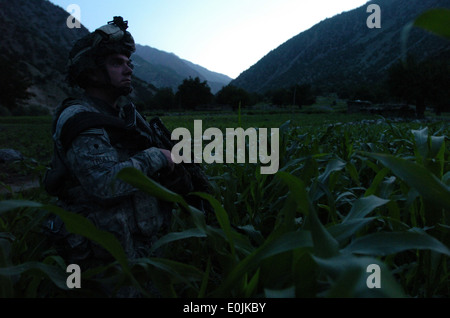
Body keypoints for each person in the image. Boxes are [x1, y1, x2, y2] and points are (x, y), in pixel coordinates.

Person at [44, 17, 177, 280]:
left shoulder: (125, 116)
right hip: (103, 260)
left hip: (137, 245)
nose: (129, 69)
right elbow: (104, 184)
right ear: (91, 70)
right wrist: (156, 157)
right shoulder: (80, 118)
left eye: (129, 62)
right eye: (117, 63)